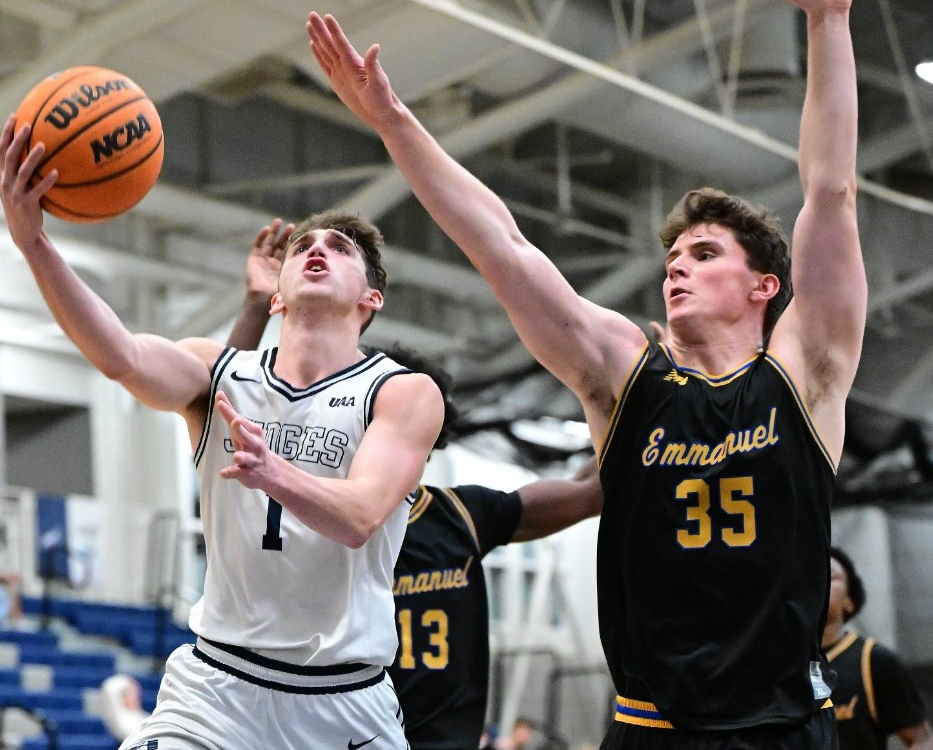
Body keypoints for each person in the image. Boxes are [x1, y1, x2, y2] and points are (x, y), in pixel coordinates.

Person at [309, 0, 864, 744]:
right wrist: (391, 119)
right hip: (651, 723)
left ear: (764, 285)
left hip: (783, 723)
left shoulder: (806, 372)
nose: (676, 267)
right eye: (672, 258)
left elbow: (828, 194)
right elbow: (502, 247)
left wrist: (827, 22)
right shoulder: (622, 374)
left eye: (703, 254)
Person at [0, 114, 443, 750]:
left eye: (339, 250)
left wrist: (276, 472)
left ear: (371, 299)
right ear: (278, 296)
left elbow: (361, 516)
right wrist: (35, 243)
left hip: (343, 697)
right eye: (304, 247)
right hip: (218, 688)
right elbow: (120, 355)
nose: (317, 250)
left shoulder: (400, 392)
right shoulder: (219, 370)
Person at [229, 220, 604, 749]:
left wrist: (623, 400)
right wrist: (255, 306)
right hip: (331, 726)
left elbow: (590, 493)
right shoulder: (307, 508)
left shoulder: (464, 515)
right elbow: (223, 396)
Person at [824, 548, 933, 750]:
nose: (818, 580)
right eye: (810, 573)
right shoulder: (773, 661)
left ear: (849, 602)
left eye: (829, 576)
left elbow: (922, 739)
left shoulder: (873, 660)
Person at [100, 674, 151, 742]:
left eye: (137, 693)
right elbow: (109, 687)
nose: (136, 697)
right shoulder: (120, 718)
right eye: (131, 694)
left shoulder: (145, 717)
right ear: (122, 697)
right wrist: (129, 681)